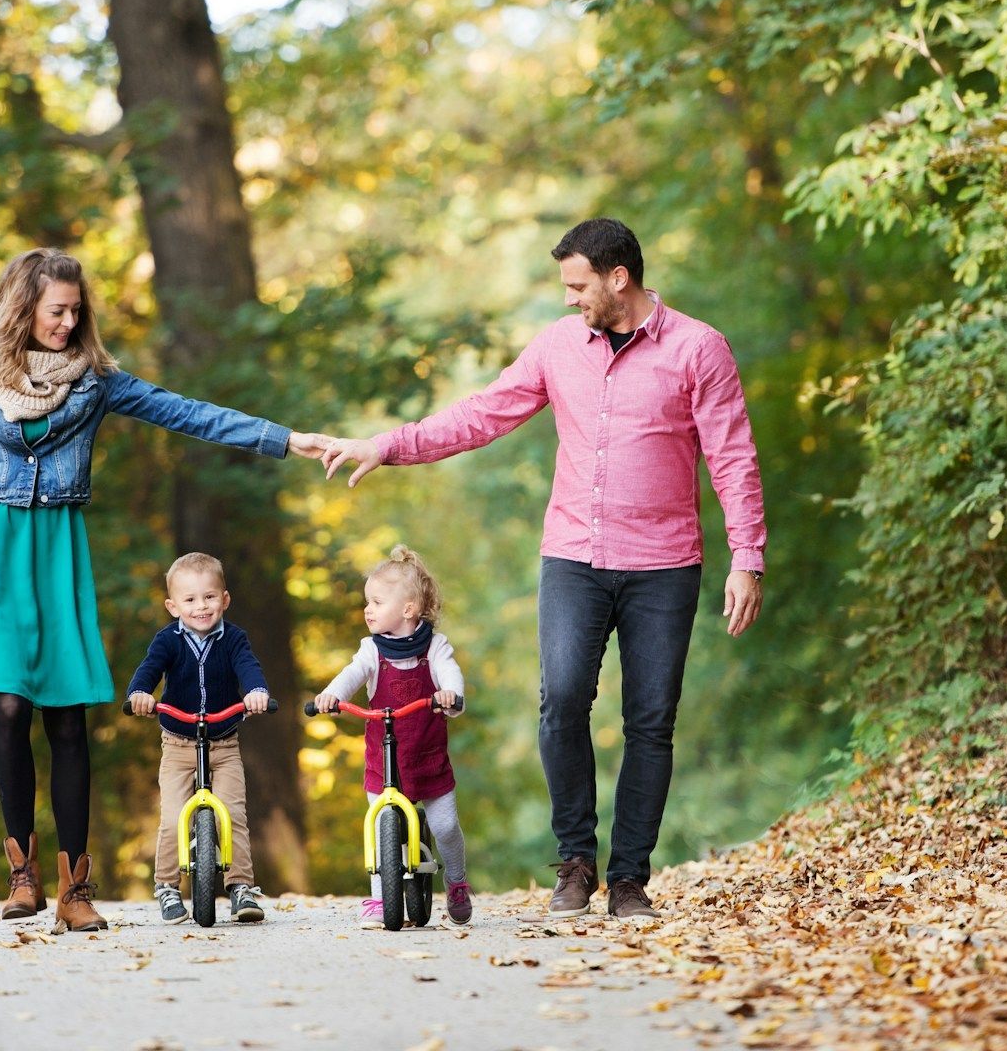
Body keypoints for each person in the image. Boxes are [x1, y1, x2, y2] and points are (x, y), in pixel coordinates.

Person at [320, 218, 766, 920]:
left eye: (577, 285)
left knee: (650, 720)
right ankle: (576, 864)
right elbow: (483, 414)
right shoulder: (560, 347)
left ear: (619, 278)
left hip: (665, 563)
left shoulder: (698, 349)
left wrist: (748, 558)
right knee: (561, 701)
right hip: (574, 557)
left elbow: (732, 455)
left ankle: (628, 880)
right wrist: (392, 445)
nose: (568, 300)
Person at [0, 248, 329, 932]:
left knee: (68, 715)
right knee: (8, 705)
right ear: (21, 308)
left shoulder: (94, 381)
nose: (69, 323)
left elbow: (187, 412)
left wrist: (288, 440)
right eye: (56, 311)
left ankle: (74, 887)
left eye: (76, 311)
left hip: (57, 551)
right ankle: (22, 872)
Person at [313, 545, 471, 928]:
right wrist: (333, 694)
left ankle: (456, 880)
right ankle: (377, 898)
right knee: (379, 821)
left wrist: (449, 694)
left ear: (408, 609)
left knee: (446, 826)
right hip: (383, 762)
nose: (367, 609)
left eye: (377, 602)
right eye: (367, 602)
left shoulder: (434, 646)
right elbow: (352, 673)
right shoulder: (371, 649)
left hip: (428, 757)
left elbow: (449, 673)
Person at [125, 552, 272, 924]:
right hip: (177, 744)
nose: (200, 606)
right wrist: (140, 693)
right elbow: (148, 670)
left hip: (223, 743)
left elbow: (248, 667)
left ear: (224, 599)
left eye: (209, 597)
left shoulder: (234, 638)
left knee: (234, 814)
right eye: (190, 600)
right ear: (173, 606)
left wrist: (255, 691)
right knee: (173, 816)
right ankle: (167, 887)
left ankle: (240, 887)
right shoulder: (167, 641)